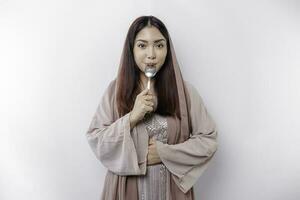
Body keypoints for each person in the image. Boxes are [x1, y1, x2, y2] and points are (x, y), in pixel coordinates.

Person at [86, 15, 218, 200]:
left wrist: (165, 153)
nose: (151, 54)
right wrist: (131, 118)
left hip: (172, 191)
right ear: (131, 49)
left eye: (159, 45)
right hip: (126, 190)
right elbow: (96, 139)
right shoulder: (115, 91)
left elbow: (208, 140)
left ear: (167, 49)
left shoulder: (185, 92)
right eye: (142, 45)